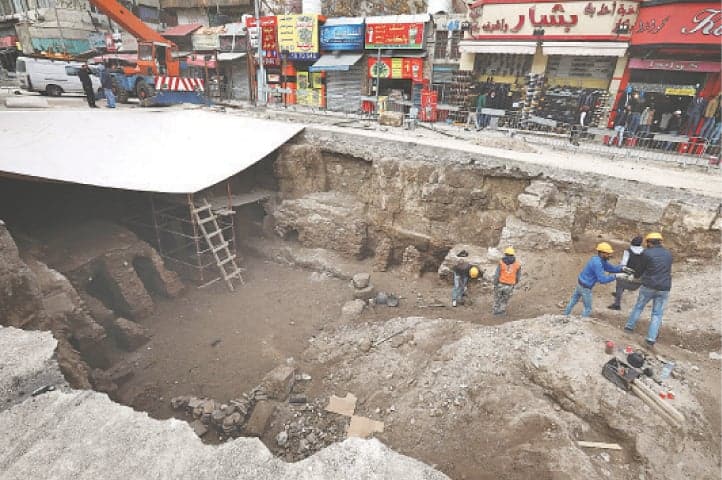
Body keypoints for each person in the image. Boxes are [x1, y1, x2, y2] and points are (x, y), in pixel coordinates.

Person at [624, 232, 673, 348]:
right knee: (657, 313)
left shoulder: (646, 253)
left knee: (639, 306)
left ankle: (629, 327)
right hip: (664, 287)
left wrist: (635, 276)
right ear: (660, 242)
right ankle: (650, 339)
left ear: (649, 242)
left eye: (647, 242)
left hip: (649, 286)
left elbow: (639, 271)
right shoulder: (668, 254)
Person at [564, 242, 626, 317]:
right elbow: (602, 280)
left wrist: (622, 269)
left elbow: (611, 268)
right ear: (601, 253)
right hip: (586, 288)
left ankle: (564, 316)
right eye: (607, 253)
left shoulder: (597, 259)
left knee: (572, 302)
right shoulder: (598, 264)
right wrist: (616, 276)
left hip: (580, 284)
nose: (609, 255)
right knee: (588, 309)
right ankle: (580, 324)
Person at [608, 235, 644, 310]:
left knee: (620, 282)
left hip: (629, 273)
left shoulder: (628, 251)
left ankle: (617, 304)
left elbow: (623, 264)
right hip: (640, 276)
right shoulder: (644, 251)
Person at [492, 247, 521, 315]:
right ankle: (502, 311)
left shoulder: (501, 263)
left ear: (505, 254)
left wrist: (495, 283)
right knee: (505, 299)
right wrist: (515, 282)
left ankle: (496, 311)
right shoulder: (517, 264)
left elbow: (497, 274)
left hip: (500, 284)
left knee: (497, 298)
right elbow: (518, 276)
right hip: (510, 285)